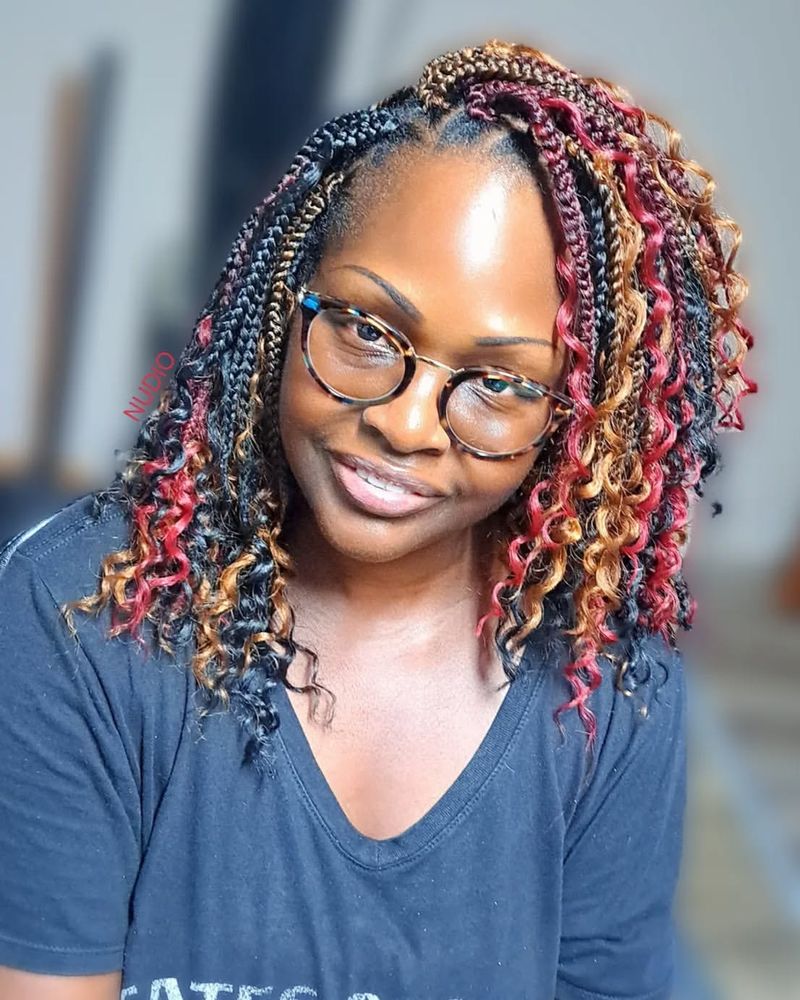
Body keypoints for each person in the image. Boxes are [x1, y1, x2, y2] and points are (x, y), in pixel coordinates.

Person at [0, 37, 756, 1000]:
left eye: (496, 384)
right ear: (285, 302)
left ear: (576, 423)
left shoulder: (609, 688)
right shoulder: (81, 617)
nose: (403, 425)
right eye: (366, 330)